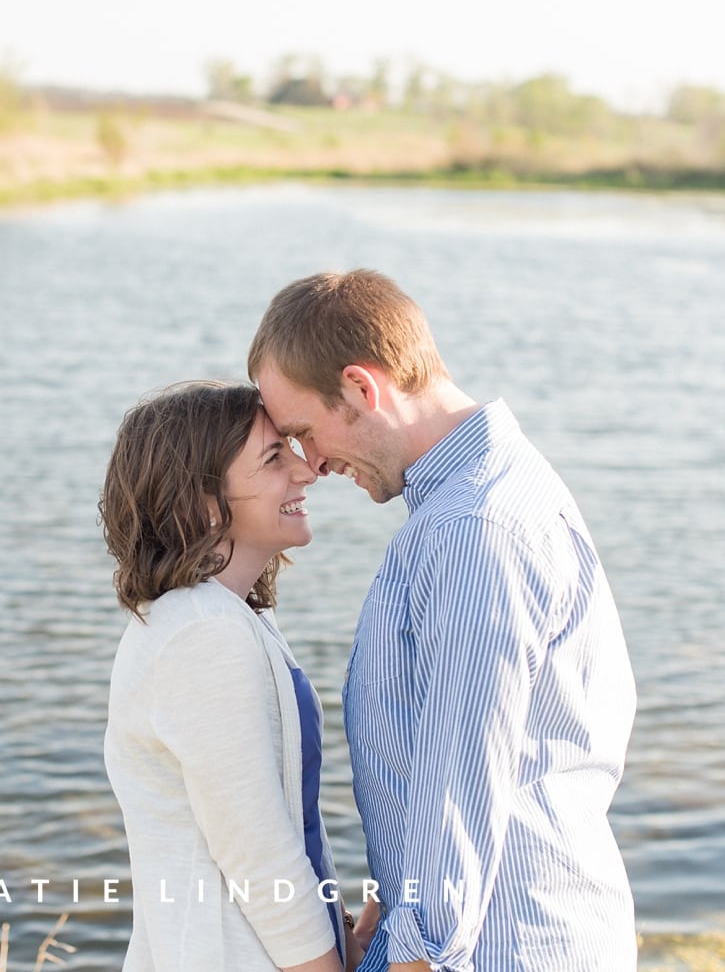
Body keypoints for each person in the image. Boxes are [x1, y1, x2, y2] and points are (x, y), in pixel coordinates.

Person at [247, 270, 637, 972]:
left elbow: (464, 774)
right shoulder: (488, 490)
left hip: (496, 949)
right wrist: (389, 906)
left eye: (305, 432)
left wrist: (415, 949)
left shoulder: (471, 528)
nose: (312, 464)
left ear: (364, 388)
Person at [99, 381, 366, 972]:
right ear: (203, 503)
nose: (305, 471)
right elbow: (258, 853)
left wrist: (343, 933)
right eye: (274, 458)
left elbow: (283, 822)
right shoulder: (201, 633)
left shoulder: (227, 617)